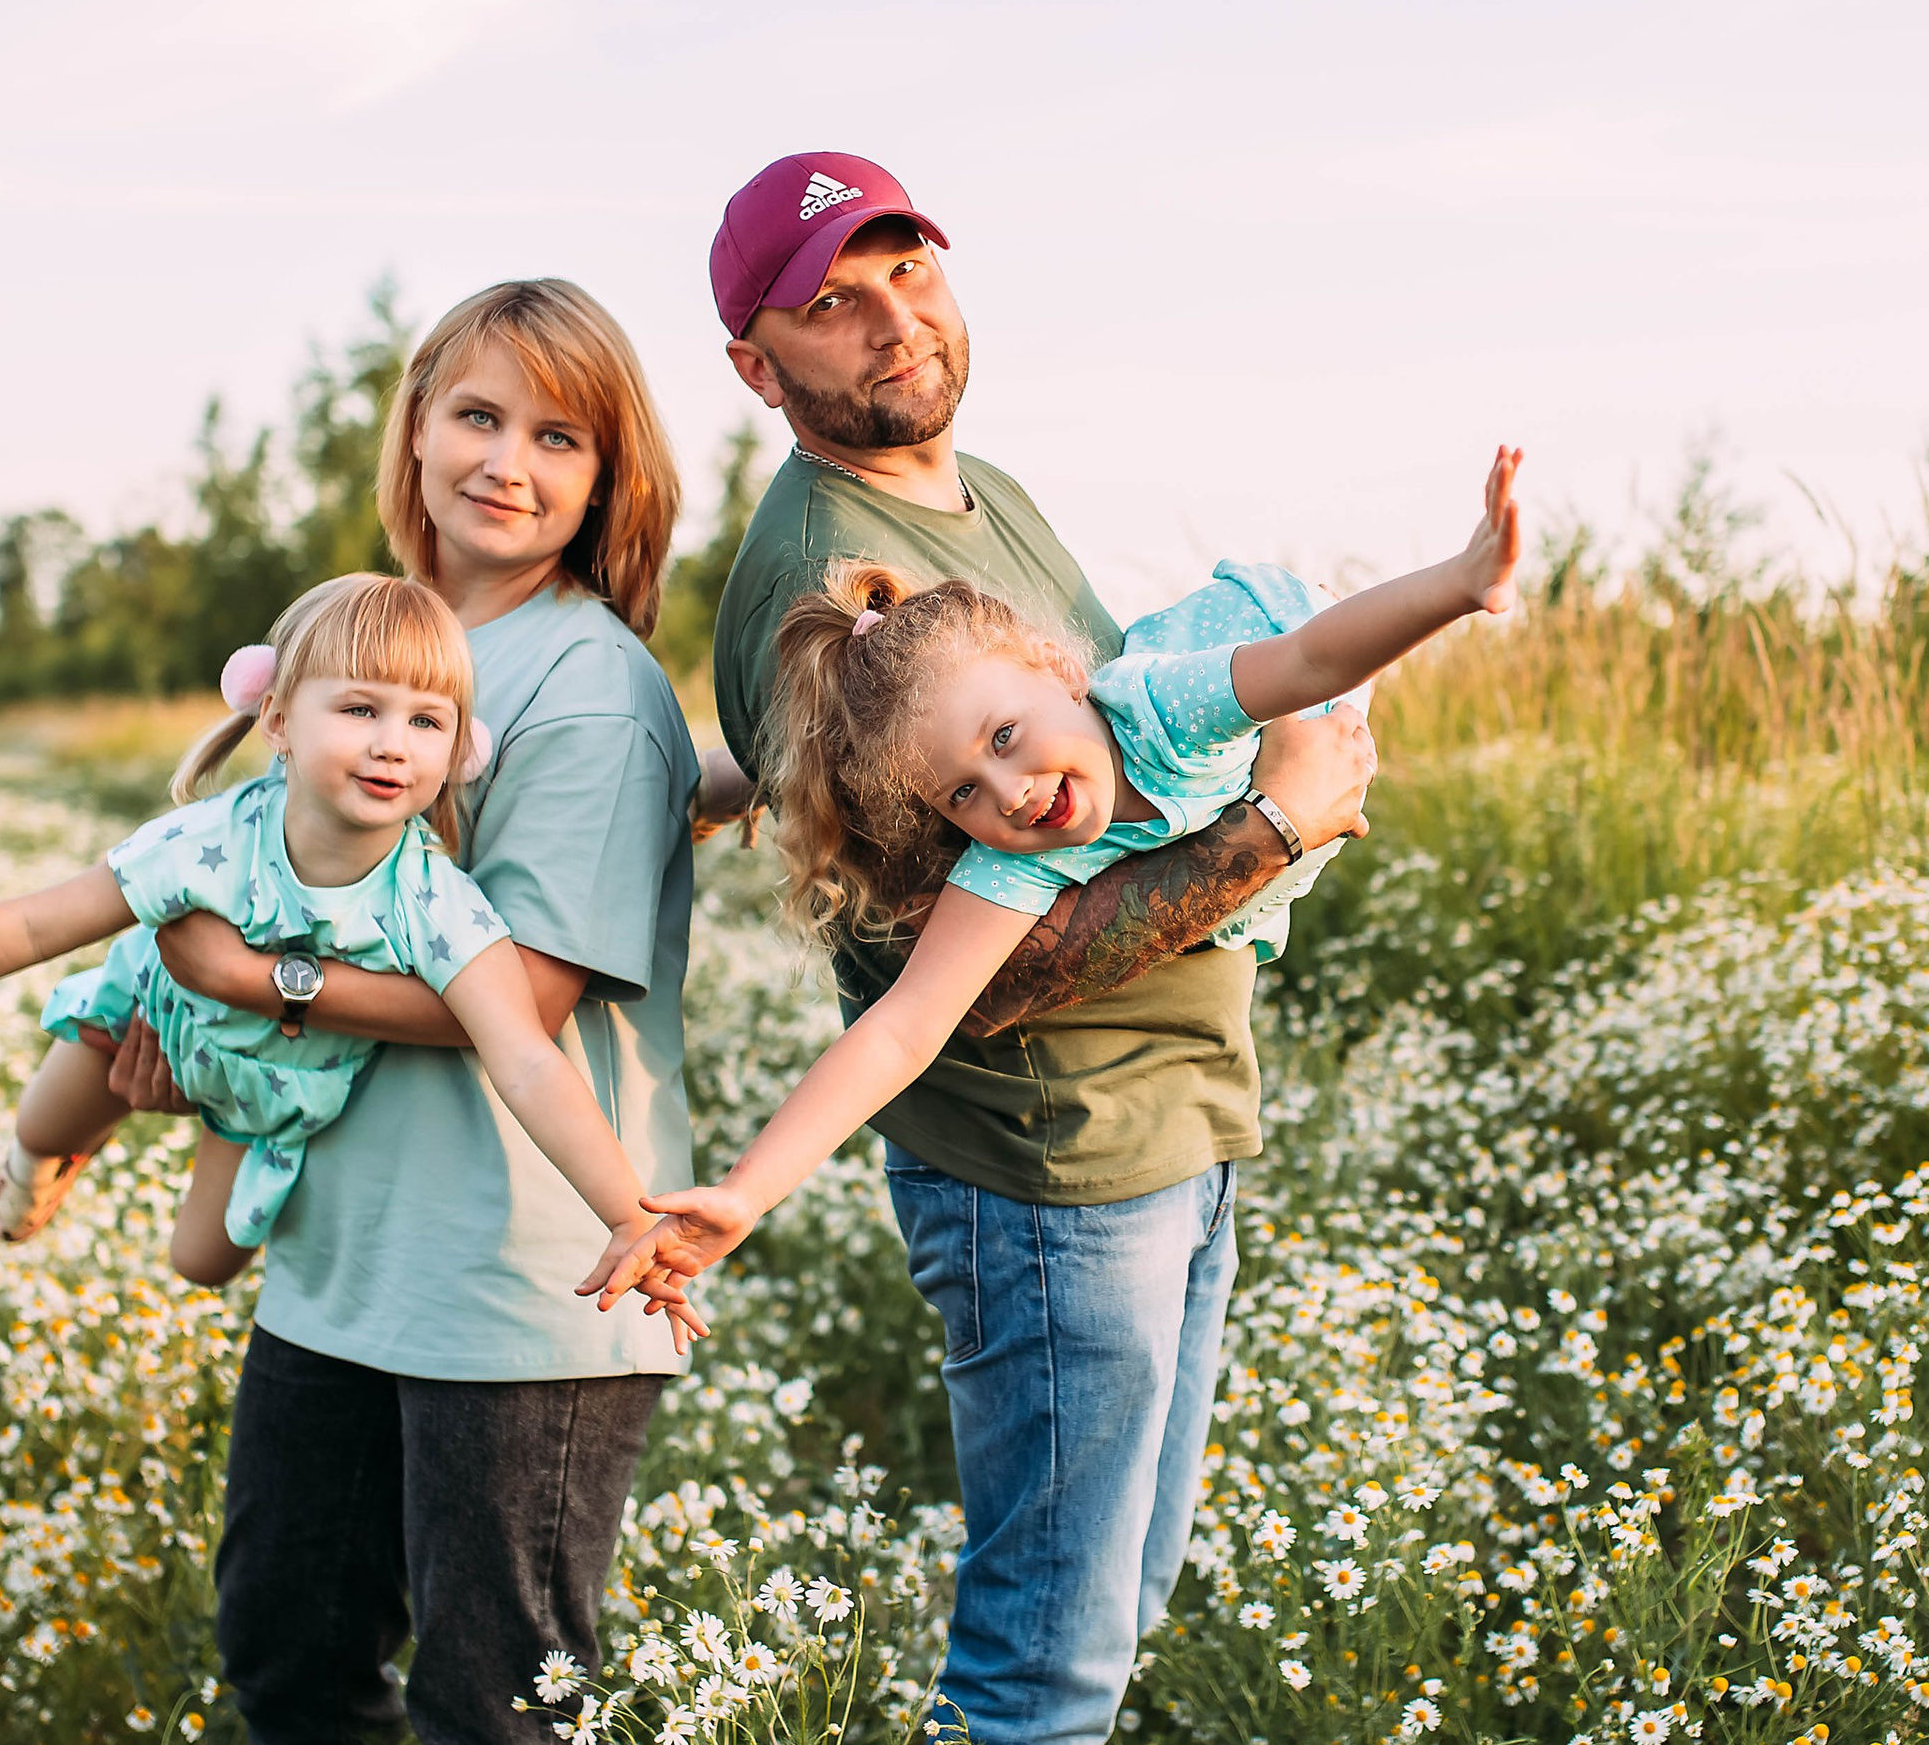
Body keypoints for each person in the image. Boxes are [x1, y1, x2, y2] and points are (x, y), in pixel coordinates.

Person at [688, 151, 1381, 1745]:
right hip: (1052, 1177)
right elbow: (947, 973)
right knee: (1045, 1651)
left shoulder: (971, 493)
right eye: (830, 302)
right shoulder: (813, 584)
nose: (890, 319)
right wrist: (1273, 836)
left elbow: (1111, 754)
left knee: (1114, 1600)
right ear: (759, 367)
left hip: (1168, 1125)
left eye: (905, 268)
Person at [108, 280, 699, 1745]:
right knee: (288, 1638)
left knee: (496, 1709)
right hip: (341, 1250)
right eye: (475, 416)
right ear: (416, 428)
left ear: (608, 478)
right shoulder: (386, 642)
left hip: (517, 1279)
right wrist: (183, 1036)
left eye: (556, 435)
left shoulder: (591, 689)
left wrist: (253, 976)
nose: (505, 463)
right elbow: (248, 888)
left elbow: (536, 989)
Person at [610, 446, 1520, 1290]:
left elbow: (1314, 654)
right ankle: (727, 777)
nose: (1008, 791)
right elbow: (899, 1030)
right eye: (961, 794)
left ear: (1056, 669)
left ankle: (726, 780)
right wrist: (744, 1195)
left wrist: (1461, 583)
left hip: (1291, 648)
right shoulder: (1016, 858)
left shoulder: (1165, 706)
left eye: (1005, 736)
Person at [0, 576, 702, 1332]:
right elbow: (26, 927)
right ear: (281, 721)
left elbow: (529, 1059)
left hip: (266, 1082)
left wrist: (628, 1213)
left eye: (426, 721)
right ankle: (45, 1161)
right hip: (151, 1016)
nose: (391, 746)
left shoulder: (436, 903)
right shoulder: (208, 843)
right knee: (48, 1120)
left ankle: (159, 1126)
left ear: (460, 749)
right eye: (361, 709)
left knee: (200, 1263)